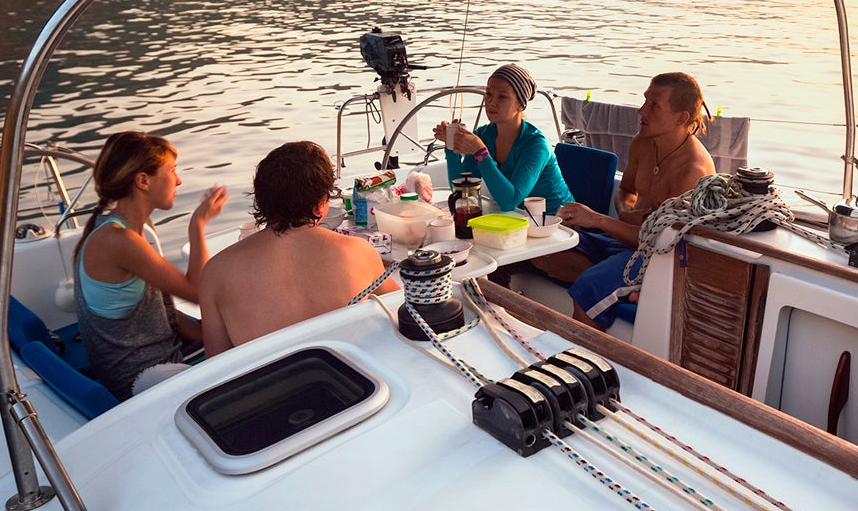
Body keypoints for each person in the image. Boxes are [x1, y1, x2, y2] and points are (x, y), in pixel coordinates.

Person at [534, 72, 714, 329]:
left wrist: (597, 219)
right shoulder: (643, 142)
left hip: (661, 258)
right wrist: (625, 210)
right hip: (627, 241)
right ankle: (619, 282)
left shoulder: (692, 170)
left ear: (681, 118)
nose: (642, 111)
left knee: (589, 286)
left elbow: (656, 242)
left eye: (655, 106)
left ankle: (584, 352)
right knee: (545, 248)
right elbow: (626, 190)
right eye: (644, 101)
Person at [200, 141, 399, 355]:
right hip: (357, 383)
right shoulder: (359, 252)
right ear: (321, 202)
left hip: (272, 386)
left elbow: (216, 362)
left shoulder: (216, 272)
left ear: (260, 199)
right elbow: (403, 309)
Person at [73, 131, 226, 400]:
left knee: (245, 333)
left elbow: (166, 315)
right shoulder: (119, 240)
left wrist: (216, 331)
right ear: (143, 181)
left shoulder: (115, 230)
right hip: (144, 379)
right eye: (171, 171)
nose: (178, 180)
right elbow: (198, 292)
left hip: (151, 362)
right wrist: (198, 224)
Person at [434, 63, 574, 214]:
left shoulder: (536, 145)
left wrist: (480, 153)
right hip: (518, 218)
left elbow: (510, 200)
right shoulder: (484, 135)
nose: (491, 102)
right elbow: (462, 191)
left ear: (520, 105)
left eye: (502, 96)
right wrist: (451, 146)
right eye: (488, 94)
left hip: (558, 223)